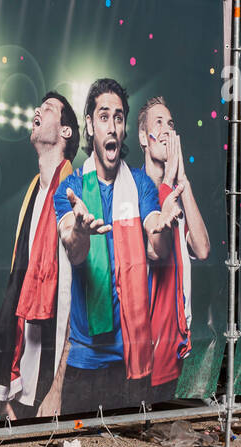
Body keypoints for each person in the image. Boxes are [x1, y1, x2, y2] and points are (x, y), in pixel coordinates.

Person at [54, 78, 184, 414]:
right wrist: (81, 232)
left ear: (124, 128)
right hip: (84, 358)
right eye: (103, 117)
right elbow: (72, 247)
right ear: (89, 125)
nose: (111, 126)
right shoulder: (71, 188)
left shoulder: (140, 182)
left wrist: (162, 224)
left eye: (118, 117)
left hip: (131, 357)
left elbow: (157, 246)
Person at [0, 93, 79, 420]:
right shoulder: (33, 193)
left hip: (52, 376)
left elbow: (81, 297)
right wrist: (1, 387)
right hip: (24, 370)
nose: (37, 109)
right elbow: (16, 286)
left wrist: (58, 391)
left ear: (65, 132)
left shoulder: (76, 189)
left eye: (48, 109)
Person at [137, 96, 210, 402]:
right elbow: (158, 251)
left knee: (163, 407)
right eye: (158, 123)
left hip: (178, 328)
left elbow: (202, 248)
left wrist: (183, 180)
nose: (166, 131)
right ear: (143, 137)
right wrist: (168, 180)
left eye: (170, 124)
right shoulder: (137, 186)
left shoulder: (173, 191)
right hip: (148, 335)